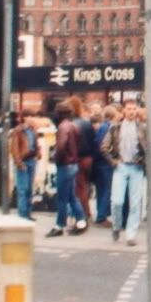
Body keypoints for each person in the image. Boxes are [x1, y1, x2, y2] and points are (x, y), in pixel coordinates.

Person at [101, 100, 148, 246]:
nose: (132, 111)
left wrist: (142, 159)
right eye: (129, 109)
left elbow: (149, 147)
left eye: (134, 109)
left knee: (135, 203)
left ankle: (131, 234)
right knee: (117, 201)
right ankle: (116, 226)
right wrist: (113, 161)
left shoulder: (143, 128)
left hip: (136, 167)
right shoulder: (115, 128)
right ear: (123, 111)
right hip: (121, 167)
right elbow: (104, 147)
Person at [46, 101, 88, 237]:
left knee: (62, 198)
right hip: (74, 164)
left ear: (59, 113)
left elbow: (61, 147)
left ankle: (59, 225)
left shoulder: (62, 127)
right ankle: (81, 221)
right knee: (71, 196)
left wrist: (57, 159)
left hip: (65, 165)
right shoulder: (74, 126)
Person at [67, 96, 96, 223]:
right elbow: (93, 141)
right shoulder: (86, 123)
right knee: (84, 186)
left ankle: (82, 215)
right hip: (88, 158)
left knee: (78, 188)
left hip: (76, 159)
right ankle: (86, 212)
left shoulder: (70, 124)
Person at [10, 109, 40, 221]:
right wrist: (18, 161)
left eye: (33, 116)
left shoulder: (33, 130)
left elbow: (35, 144)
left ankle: (28, 212)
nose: (32, 119)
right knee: (23, 188)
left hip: (32, 160)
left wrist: (38, 153)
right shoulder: (18, 130)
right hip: (23, 161)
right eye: (30, 116)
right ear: (25, 117)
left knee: (29, 189)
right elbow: (14, 148)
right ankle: (22, 214)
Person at [92, 106, 116, 228]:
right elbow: (102, 146)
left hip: (99, 163)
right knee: (106, 190)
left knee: (101, 190)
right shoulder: (108, 128)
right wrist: (111, 160)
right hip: (104, 164)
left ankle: (100, 215)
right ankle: (102, 217)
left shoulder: (102, 127)